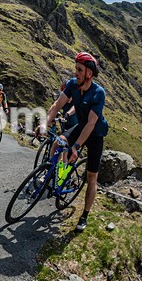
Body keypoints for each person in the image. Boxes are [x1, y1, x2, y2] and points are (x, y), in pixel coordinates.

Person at [36, 52, 108, 231]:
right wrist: (44, 124)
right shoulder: (72, 85)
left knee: (92, 177)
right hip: (80, 127)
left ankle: (84, 215)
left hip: (95, 135)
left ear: (89, 74)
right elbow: (56, 105)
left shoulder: (98, 93)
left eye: (79, 69)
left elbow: (91, 124)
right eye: (75, 68)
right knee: (58, 142)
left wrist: (76, 147)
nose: (75, 72)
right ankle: (56, 175)